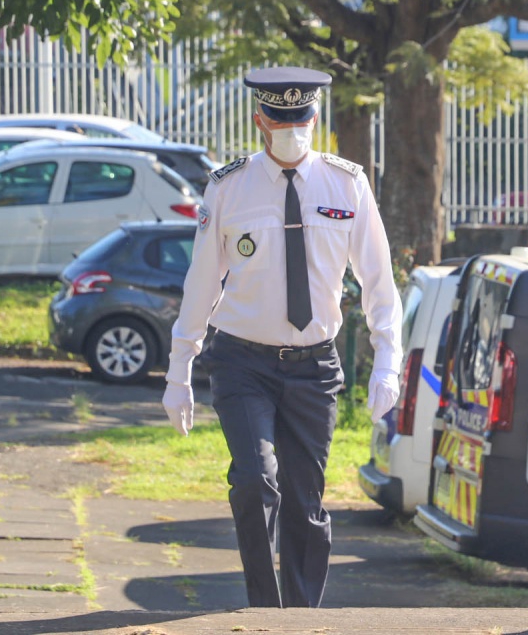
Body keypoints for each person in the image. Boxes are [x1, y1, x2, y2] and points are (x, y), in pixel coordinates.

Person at [161, 66, 402, 609]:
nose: (292, 130)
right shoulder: (229, 187)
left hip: (314, 367)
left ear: (315, 119)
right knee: (255, 480)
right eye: (281, 120)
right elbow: (202, 284)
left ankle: (301, 617)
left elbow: (379, 282)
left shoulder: (347, 184)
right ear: (260, 122)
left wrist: (388, 362)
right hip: (242, 362)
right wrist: (179, 371)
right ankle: (265, 612)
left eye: (301, 119)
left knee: (305, 503)